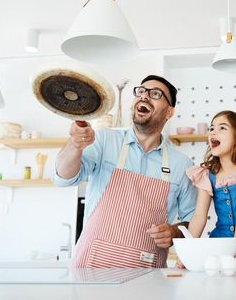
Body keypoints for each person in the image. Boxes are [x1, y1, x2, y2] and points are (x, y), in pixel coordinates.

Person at [54, 75, 197, 268]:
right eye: (141, 91)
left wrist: (175, 233)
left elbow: (192, 221)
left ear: (169, 112)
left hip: (146, 275)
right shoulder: (104, 140)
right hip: (91, 268)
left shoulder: (182, 164)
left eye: (155, 94)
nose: (144, 97)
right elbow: (63, 178)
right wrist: (75, 145)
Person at [185, 110, 236, 254]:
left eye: (222, 128)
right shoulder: (206, 174)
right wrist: (187, 252)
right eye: (211, 128)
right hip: (220, 242)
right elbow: (199, 215)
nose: (213, 132)